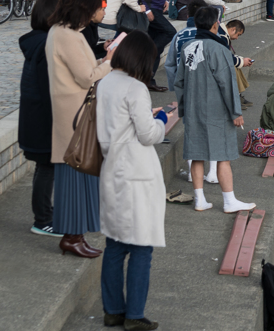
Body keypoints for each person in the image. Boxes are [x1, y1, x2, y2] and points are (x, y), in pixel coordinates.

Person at [96, 31, 168, 331]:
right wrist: (161, 120)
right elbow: (147, 134)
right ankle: (134, 315)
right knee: (141, 246)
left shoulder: (106, 82)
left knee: (114, 246)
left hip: (111, 168)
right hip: (136, 172)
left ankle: (113, 310)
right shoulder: (136, 88)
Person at [47, 0, 118, 257]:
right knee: (76, 175)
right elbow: (86, 77)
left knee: (80, 174)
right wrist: (111, 61)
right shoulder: (67, 35)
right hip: (74, 114)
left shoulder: (63, 32)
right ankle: (71, 236)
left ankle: (75, 235)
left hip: (74, 111)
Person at [174, 7, 255, 213]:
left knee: (197, 154)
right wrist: (236, 112)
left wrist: (183, 109)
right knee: (222, 156)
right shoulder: (220, 49)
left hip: (193, 109)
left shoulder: (187, 47)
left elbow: (180, 82)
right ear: (215, 24)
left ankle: (199, 199)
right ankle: (229, 201)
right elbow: (227, 82)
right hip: (217, 110)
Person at [17, 0, 60, 237]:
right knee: (47, 168)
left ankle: (44, 216)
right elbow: (48, 90)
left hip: (35, 118)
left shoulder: (38, 42)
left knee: (44, 168)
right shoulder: (46, 45)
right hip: (43, 119)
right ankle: (43, 220)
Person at [134, 0, 177, 92]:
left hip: (159, 5)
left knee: (156, 46)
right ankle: (147, 54)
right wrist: (146, 9)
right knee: (169, 32)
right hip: (150, 8)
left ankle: (148, 79)